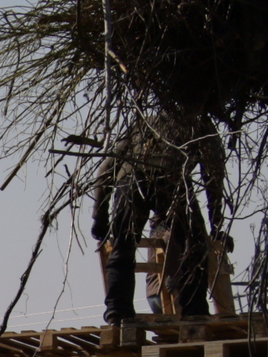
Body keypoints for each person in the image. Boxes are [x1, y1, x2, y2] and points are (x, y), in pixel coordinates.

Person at [91, 113, 229, 322]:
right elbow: (213, 178)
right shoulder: (201, 124)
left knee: (123, 247)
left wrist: (99, 217)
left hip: (130, 181)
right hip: (169, 177)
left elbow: (106, 169)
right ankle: (195, 311)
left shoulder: (143, 122)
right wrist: (216, 225)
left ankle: (117, 312)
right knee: (194, 244)